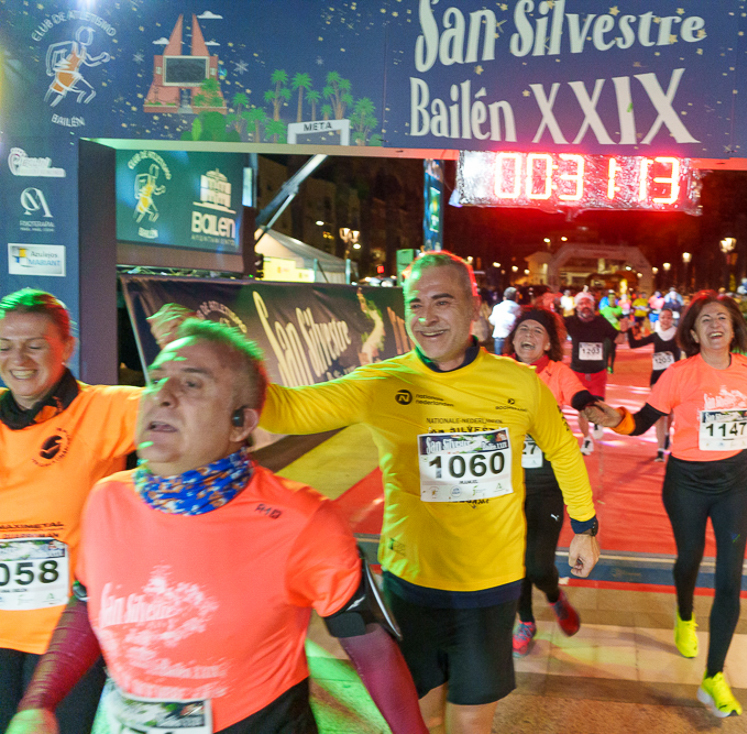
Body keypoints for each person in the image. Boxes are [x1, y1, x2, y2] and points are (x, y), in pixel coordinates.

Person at [6, 320, 427, 734]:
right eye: (156, 380)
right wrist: (39, 704)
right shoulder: (108, 500)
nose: (162, 396)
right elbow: (87, 602)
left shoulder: (302, 519)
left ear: (241, 423)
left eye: (192, 384)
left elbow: (371, 648)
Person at [258, 252, 600, 734]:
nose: (426, 317)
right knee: (424, 713)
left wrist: (585, 527)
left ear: (475, 308)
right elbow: (285, 411)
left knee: (472, 720)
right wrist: (220, 359)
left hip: (491, 584)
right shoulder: (382, 382)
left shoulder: (520, 382)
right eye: (415, 304)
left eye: (442, 301)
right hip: (413, 583)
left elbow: (563, 451)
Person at [584, 292, 747, 719]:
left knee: (731, 576)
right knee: (689, 559)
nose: (715, 324)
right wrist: (614, 418)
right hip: (687, 485)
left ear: (733, 328)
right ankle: (684, 614)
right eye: (706, 320)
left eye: (722, 318)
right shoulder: (679, 374)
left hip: (737, 485)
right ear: (693, 333)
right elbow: (641, 421)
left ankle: (714, 676)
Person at [0, 289, 150, 734]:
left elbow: (198, 407)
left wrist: (184, 344)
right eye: (5, 346)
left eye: (35, 345)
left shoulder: (105, 408)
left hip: (68, 634)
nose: (18, 359)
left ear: (67, 346)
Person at [503, 308, 607, 657]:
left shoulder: (557, 372)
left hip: (547, 484)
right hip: (504, 485)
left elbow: (577, 394)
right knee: (513, 562)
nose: (528, 335)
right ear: (513, 337)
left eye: (537, 331)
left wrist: (589, 405)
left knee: (537, 564)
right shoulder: (498, 371)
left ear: (548, 343)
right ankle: (525, 620)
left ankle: (553, 594)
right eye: (523, 329)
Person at [565, 291, 623, 455]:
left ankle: (597, 422)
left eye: (588, 303)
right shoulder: (569, 321)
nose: (585, 306)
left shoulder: (601, 322)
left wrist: (624, 330)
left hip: (598, 372)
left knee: (596, 405)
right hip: (578, 372)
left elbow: (619, 339)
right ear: (577, 307)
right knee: (582, 409)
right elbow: (553, 327)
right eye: (581, 303)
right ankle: (587, 439)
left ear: (593, 305)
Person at [625, 308, 681, 460]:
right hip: (657, 379)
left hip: (674, 378)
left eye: (668, 317)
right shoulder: (656, 335)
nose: (665, 320)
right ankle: (660, 450)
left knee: (670, 414)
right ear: (659, 319)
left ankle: (667, 433)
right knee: (660, 413)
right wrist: (629, 329)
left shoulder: (678, 336)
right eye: (662, 317)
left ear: (672, 320)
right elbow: (634, 344)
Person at [488, 287, 521, 355]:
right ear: (516, 297)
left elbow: (492, 321)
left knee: (499, 359)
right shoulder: (518, 308)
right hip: (512, 339)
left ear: (504, 297)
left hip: (499, 337)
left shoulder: (497, 307)